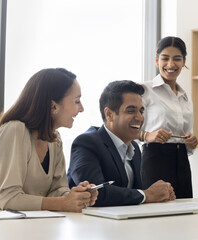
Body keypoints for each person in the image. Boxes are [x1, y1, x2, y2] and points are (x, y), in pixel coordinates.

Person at [0, 68, 98, 212]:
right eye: (77, 101)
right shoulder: (15, 130)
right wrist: (63, 203)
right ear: (53, 106)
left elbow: (57, 190)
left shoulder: (55, 139)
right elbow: (6, 198)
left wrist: (76, 196)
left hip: (40, 227)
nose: (81, 109)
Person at [67, 80, 176, 207]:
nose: (140, 118)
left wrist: (161, 195)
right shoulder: (86, 143)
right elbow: (95, 193)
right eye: (131, 111)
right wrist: (148, 195)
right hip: (92, 224)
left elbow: (135, 194)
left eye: (141, 111)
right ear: (109, 114)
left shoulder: (134, 148)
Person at [139, 36, 198, 198]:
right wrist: (148, 135)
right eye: (165, 58)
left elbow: (188, 135)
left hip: (182, 160)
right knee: (157, 212)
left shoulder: (185, 96)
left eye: (177, 59)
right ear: (157, 60)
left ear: (184, 61)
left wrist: (192, 142)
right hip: (155, 158)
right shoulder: (144, 90)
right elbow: (124, 128)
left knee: (185, 210)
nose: (171, 65)